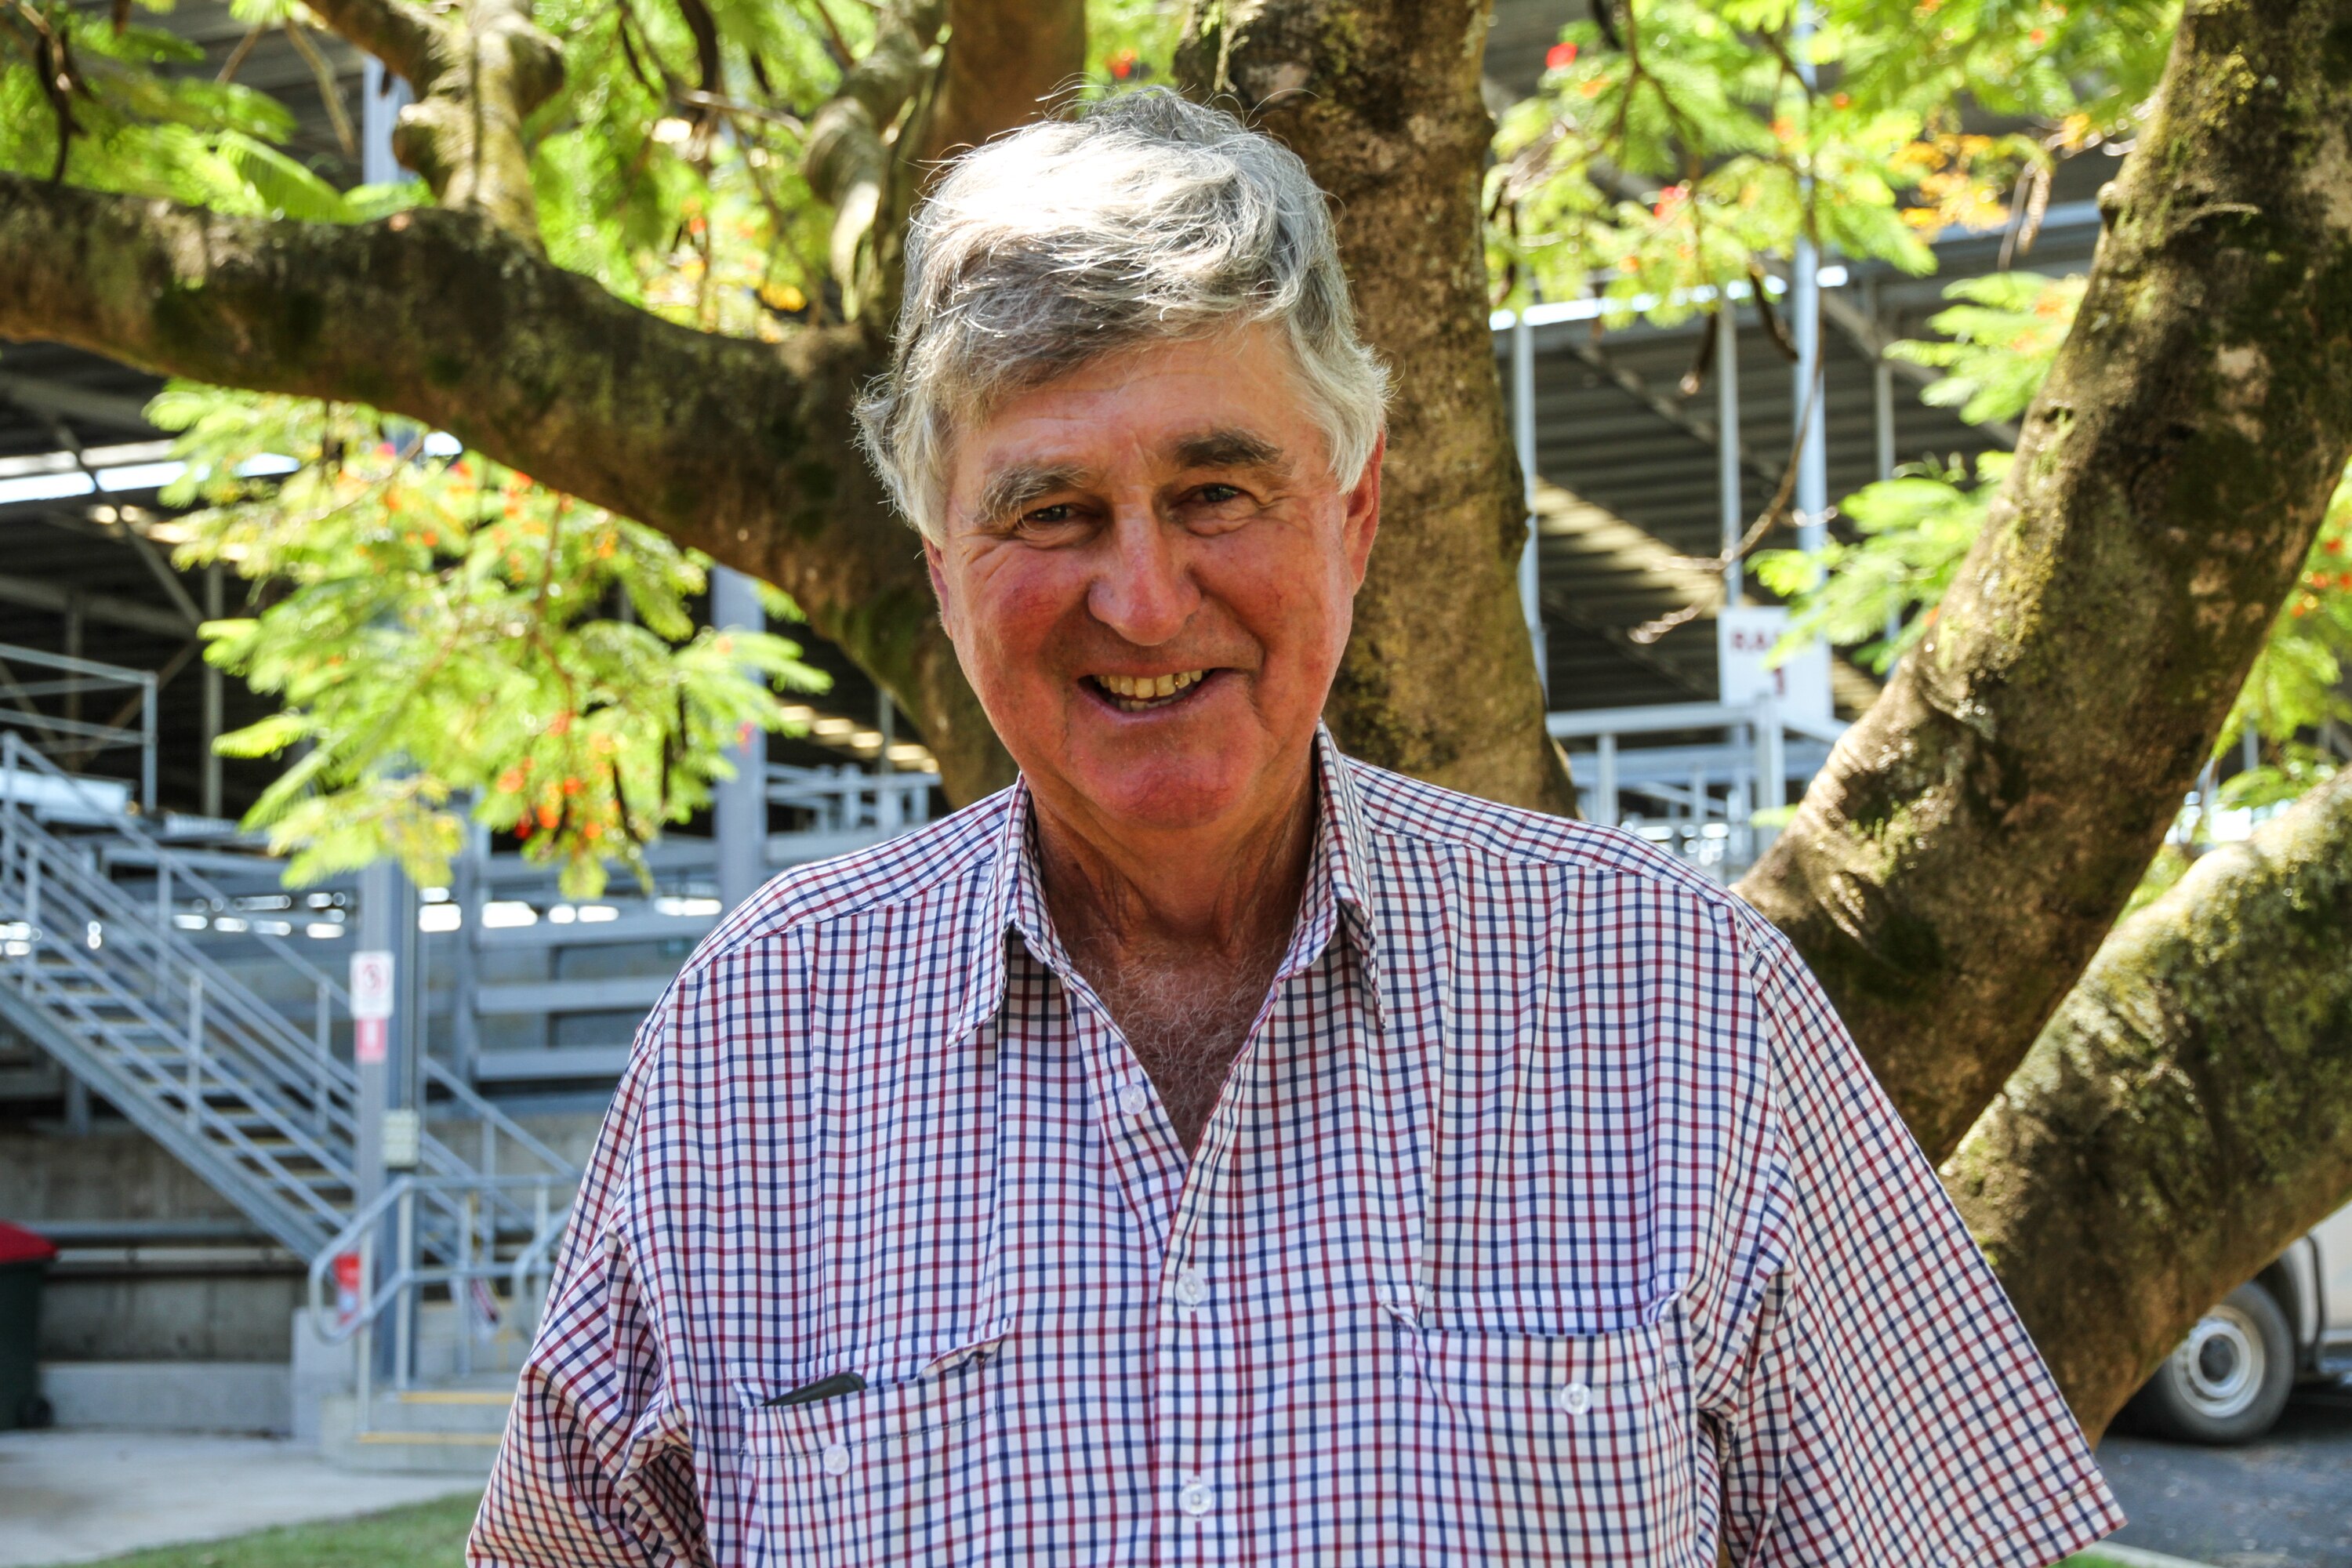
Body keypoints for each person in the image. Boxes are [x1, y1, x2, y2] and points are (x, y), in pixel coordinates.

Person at [467, 89, 2120, 1566]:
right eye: (1050, 511)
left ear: (1357, 512)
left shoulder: (1683, 1003)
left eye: (1215, 491)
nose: (1141, 592)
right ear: (941, 572)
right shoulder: (757, 1047)